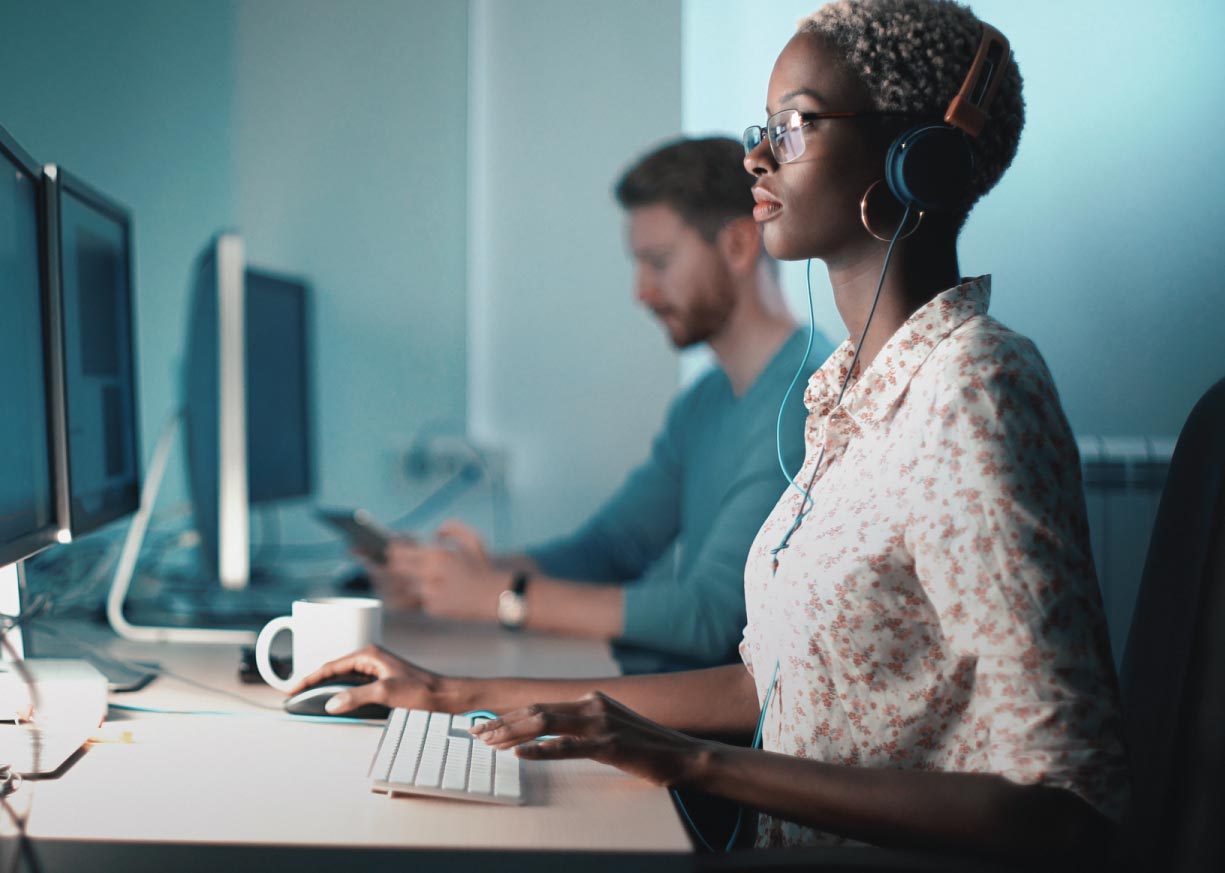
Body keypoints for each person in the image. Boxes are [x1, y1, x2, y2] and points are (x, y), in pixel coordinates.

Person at [296, 0, 1128, 856]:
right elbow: (759, 683)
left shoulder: (973, 387)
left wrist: (692, 763)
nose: (756, 156)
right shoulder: (851, 395)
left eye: (795, 125)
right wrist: (447, 691)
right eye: (761, 127)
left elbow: (1064, 802)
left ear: (916, 158)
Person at [372, 137, 830, 674]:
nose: (641, 291)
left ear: (737, 246)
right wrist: (455, 578)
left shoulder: (808, 398)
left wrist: (501, 596)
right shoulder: (705, 401)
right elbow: (612, 550)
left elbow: (713, 617)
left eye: (657, 262)